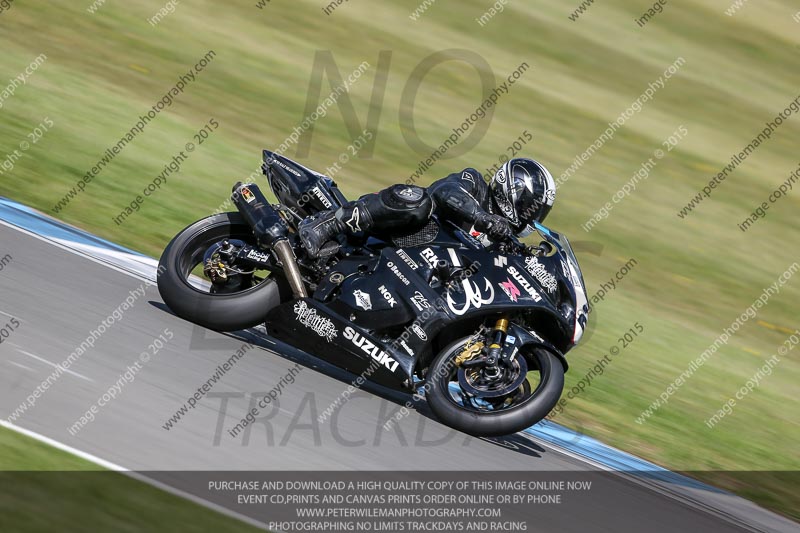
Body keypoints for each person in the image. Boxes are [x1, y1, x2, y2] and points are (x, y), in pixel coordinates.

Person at [298, 158, 556, 257]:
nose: (532, 215)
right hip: (396, 232)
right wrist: (482, 217)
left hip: (419, 272)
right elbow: (444, 192)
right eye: (530, 207)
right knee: (420, 202)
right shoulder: (474, 183)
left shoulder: (505, 241)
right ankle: (327, 223)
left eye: (539, 211)